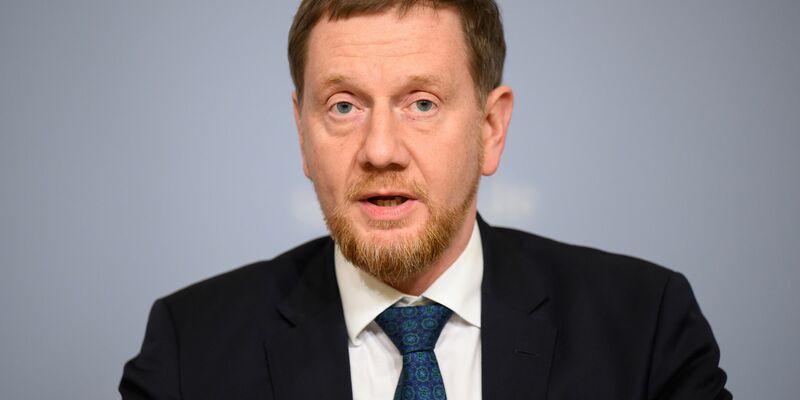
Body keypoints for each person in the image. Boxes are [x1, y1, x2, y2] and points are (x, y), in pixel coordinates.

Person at [120, 1, 731, 399]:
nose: (381, 149)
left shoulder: (645, 330)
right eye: (343, 106)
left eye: (422, 103)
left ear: (491, 129)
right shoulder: (188, 352)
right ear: (302, 133)